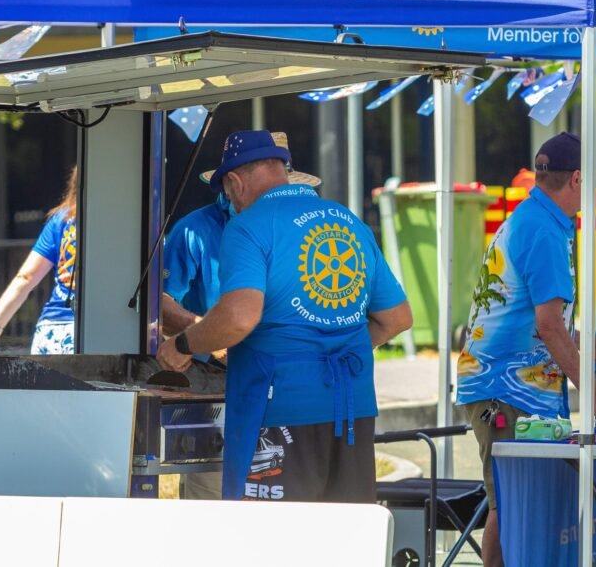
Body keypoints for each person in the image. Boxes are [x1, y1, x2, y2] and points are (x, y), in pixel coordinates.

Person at [157, 130, 412, 502]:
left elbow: (239, 318)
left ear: (234, 181)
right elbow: (397, 318)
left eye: (227, 191)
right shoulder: (347, 220)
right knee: (343, 536)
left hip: (280, 409)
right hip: (353, 408)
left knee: (272, 538)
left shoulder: (248, 226)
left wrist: (182, 344)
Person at [456, 132, 596, 567]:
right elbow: (548, 326)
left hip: (506, 383)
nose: (595, 193)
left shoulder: (534, 218)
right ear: (578, 179)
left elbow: (529, 315)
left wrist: (579, 339)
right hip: (506, 388)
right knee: (510, 500)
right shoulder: (544, 230)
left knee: (516, 499)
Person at [160, 131, 320, 501]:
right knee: (215, 500)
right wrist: (204, 335)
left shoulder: (303, 227)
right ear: (233, 184)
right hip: (219, 386)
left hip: (291, 389)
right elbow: (160, 303)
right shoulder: (193, 230)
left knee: (291, 501)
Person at [0, 166, 77, 360]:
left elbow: (26, 278)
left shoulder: (61, 219)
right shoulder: (127, 220)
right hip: (96, 334)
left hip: (51, 334)